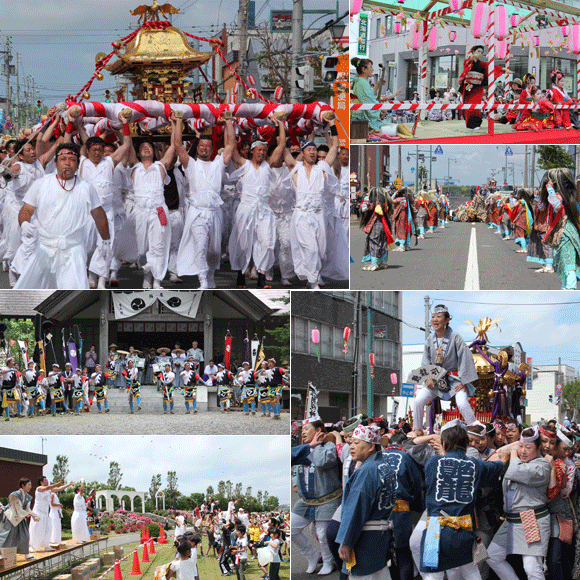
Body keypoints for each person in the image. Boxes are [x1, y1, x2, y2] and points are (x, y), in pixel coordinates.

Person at [14, 142, 111, 289]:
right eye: (63, 159)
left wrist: (106, 241)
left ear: (78, 165)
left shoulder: (86, 187)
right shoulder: (41, 184)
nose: (67, 163)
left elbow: (99, 215)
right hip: (44, 248)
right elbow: (26, 209)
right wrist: (24, 223)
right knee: (33, 291)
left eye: (72, 160)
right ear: (55, 163)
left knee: (73, 293)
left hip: (73, 250)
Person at [419, 420, 507, 580]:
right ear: (467, 444)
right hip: (463, 530)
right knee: (470, 572)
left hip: (434, 529)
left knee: (433, 575)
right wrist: (502, 460)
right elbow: (495, 467)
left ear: (443, 443)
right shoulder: (475, 465)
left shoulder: (433, 462)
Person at [174, 114, 235, 288]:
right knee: (200, 245)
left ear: (212, 149)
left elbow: (230, 145)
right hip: (197, 212)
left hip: (215, 212)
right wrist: (178, 122)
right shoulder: (191, 164)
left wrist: (229, 122)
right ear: (198, 147)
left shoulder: (218, 163)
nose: (204, 148)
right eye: (202, 145)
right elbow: (178, 145)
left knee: (214, 250)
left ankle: (210, 274)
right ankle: (202, 280)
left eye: (208, 146)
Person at [487, 426, 552, 580]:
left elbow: (516, 471)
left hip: (531, 519)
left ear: (538, 449)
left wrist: (513, 451)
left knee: (531, 568)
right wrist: (510, 450)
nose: (523, 451)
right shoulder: (515, 462)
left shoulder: (541, 465)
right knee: (491, 556)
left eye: (528, 447)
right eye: (520, 446)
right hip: (511, 521)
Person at [228, 118, 286, 289]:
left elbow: (281, 146)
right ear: (252, 151)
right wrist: (229, 123)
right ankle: (240, 275)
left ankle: (261, 276)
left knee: (267, 243)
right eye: (259, 150)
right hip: (245, 209)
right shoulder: (243, 164)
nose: (262, 152)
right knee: (243, 244)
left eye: (264, 150)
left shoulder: (268, 165)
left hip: (263, 210)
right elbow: (231, 145)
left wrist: (280, 125)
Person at [336, 424, 397, 580]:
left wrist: (346, 541)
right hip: (381, 535)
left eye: (357, 443)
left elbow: (356, 509)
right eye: (351, 443)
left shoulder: (368, 471)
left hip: (365, 539)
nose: (351, 447)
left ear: (371, 447)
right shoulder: (385, 465)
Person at [285, 119, 339, 289]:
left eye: (315, 150)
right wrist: (284, 126)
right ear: (302, 152)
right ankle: (313, 281)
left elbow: (335, 148)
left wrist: (332, 124)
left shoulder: (321, 168)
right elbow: (284, 149)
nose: (313, 152)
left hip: (318, 214)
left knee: (320, 251)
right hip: (301, 214)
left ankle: (312, 276)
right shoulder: (295, 167)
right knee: (311, 249)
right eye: (309, 149)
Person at [413, 305, 479, 430]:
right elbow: (425, 361)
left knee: (462, 403)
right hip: (435, 380)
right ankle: (417, 429)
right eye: (433, 317)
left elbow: (465, 357)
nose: (435, 320)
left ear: (447, 320)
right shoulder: (429, 340)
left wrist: (464, 381)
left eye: (439, 317)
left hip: (454, 379)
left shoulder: (455, 337)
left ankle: (475, 428)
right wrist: (428, 378)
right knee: (418, 401)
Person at [291, 416, 341, 575]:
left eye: (306, 429)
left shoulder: (329, 446)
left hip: (327, 498)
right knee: (292, 528)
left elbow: (323, 462)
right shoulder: (304, 447)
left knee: (322, 533)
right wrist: (294, 482)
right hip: (306, 500)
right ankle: (312, 555)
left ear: (318, 430)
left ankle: (328, 561)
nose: (302, 432)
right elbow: (296, 467)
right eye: (302, 429)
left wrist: (315, 446)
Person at [539, 168, 580, 289]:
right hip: (566, 232)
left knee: (568, 265)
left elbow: (557, 206)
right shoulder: (570, 197)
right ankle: (566, 289)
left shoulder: (559, 196)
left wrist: (550, 189)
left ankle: (570, 290)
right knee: (565, 263)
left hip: (565, 233)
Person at [458, 45, 511, 129]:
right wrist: (472, 56)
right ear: (473, 52)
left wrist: (504, 69)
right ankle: (470, 124)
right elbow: (469, 60)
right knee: (469, 106)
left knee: (476, 105)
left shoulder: (482, 64)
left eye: (481, 52)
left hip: (478, 87)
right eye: (478, 51)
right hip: (469, 86)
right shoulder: (467, 61)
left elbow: (493, 67)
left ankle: (476, 123)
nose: (480, 54)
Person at [0, 478, 40, 559]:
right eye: (28, 485)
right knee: (7, 536)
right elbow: (18, 509)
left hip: (20, 518)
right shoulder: (15, 495)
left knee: (25, 535)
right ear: (23, 485)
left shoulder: (28, 497)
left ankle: (26, 554)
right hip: (11, 518)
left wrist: (35, 515)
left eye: (31, 485)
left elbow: (28, 509)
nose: (30, 487)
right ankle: (2, 554)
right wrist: (31, 515)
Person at [359, 186, 394, 271]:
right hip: (384, 225)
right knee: (382, 242)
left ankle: (374, 263)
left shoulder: (375, 203)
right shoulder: (385, 203)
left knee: (374, 242)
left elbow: (364, 209)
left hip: (376, 224)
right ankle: (381, 262)